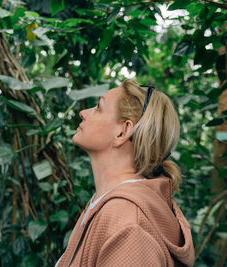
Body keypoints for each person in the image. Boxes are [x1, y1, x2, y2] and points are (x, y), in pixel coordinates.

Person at [55, 79, 194, 267]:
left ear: (122, 132)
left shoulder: (127, 221)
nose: (83, 113)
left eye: (98, 107)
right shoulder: (108, 203)